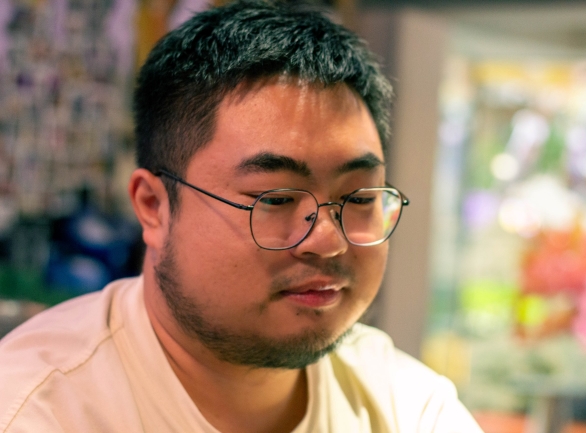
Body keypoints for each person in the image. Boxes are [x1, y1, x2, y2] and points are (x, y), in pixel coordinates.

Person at [0, 1, 483, 432]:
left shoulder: (406, 405)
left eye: (358, 198)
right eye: (274, 198)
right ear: (154, 206)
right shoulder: (36, 409)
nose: (327, 240)